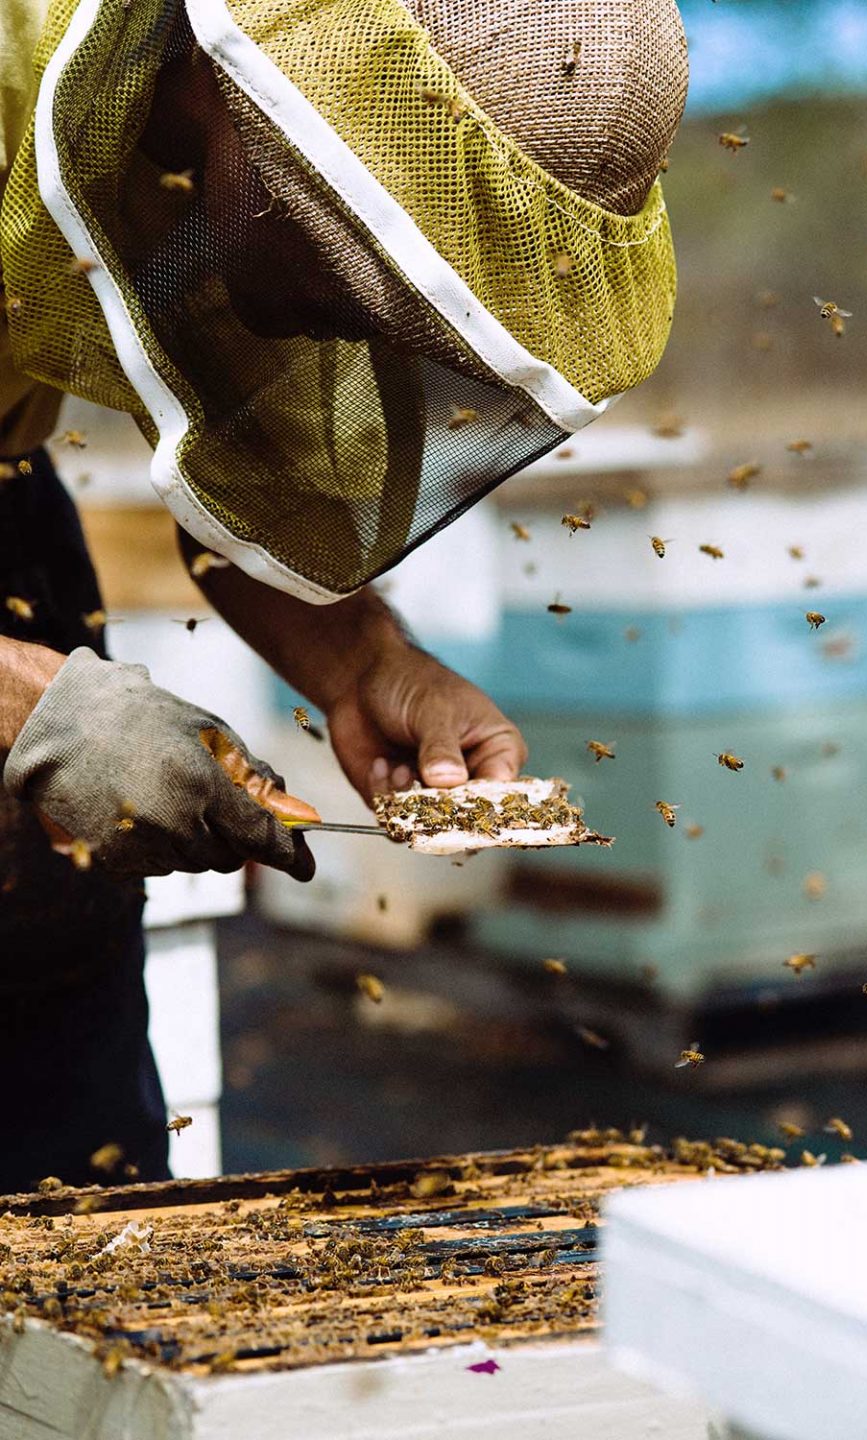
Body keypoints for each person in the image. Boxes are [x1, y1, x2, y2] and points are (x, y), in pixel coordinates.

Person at [0, 0, 687, 1191]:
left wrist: (367, 660)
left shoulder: (173, 124)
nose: (354, 305)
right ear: (248, 74)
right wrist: (43, 710)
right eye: (344, 234)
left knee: (72, 1194)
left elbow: (220, 462)